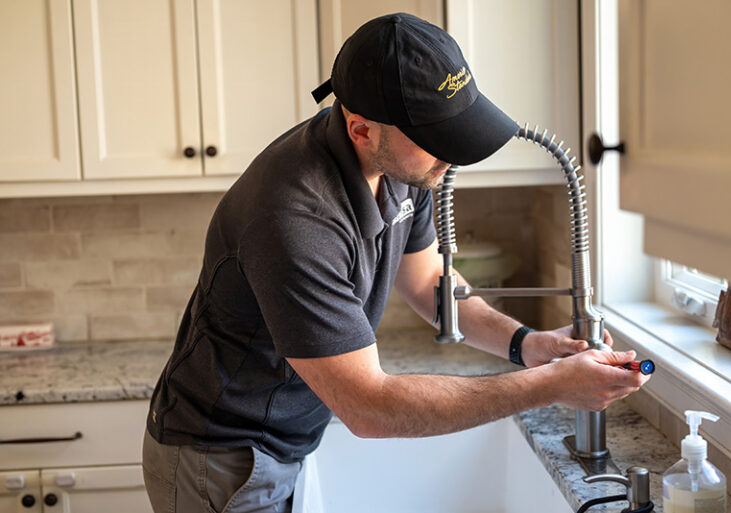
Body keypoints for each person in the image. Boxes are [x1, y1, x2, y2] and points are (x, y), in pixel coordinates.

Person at [142, 12, 648, 513]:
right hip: (221, 458)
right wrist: (551, 386)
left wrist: (528, 346)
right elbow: (370, 407)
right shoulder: (294, 218)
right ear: (361, 130)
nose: (451, 155)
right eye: (436, 138)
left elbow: (428, 279)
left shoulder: (403, 164)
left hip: (281, 443)